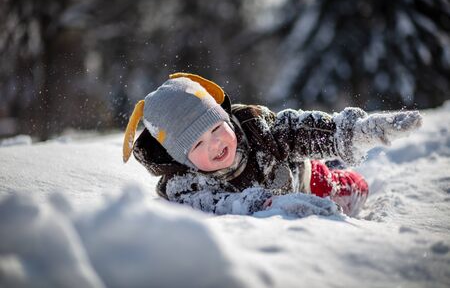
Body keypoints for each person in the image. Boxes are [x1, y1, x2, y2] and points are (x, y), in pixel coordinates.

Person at [122, 73, 422, 217]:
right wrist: (262, 204)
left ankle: (341, 171)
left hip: (302, 178)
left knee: (347, 186)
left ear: (225, 116)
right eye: (198, 143)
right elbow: (213, 205)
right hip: (275, 198)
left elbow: (298, 130)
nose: (215, 144)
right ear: (183, 158)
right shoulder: (185, 185)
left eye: (216, 127)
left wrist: (352, 133)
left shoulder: (256, 129)